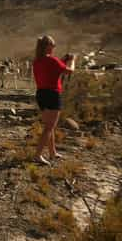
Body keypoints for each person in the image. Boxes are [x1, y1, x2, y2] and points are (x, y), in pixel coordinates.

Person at [33, 35, 75, 165]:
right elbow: (70, 71)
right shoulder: (52, 61)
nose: (54, 47)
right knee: (50, 127)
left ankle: (52, 152)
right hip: (52, 94)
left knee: (49, 126)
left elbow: (54, 67)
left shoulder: (37, 61)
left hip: (41, 94)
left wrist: (62, 60)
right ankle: (38, 155)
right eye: (53, 45)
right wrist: (73, 60)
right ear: (48, 46)